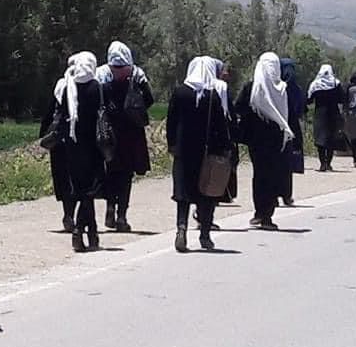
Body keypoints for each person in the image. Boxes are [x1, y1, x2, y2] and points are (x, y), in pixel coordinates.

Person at [167, 57, 231, 252]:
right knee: (207, 193)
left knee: (182, 194)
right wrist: (224, 149)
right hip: (208, 153)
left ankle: (181, 229)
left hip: (183, 152)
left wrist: (172, 145)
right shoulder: (212, 96)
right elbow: (221, 125)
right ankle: (205, 234)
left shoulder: (180, 93)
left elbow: (171, 122)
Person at [99, 41, 154, 231]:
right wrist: (135, 111)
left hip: (110, 134)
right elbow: (149, 99)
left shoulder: (102, 79)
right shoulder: (138, 77)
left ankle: (111, 208)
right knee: (125, 176)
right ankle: (121, 216)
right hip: (131, 134)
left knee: (112, 172)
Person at [235, 52, 293, 230]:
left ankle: (260, 213)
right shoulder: (282, 88)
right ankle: (267, 215)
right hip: (276, 138)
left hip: (256, 139)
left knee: (259, 175)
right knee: (272, 174)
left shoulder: (251, 87)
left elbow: (238, 108)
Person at [54, 51, 104, 250]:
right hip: (93, 146)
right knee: (88, 191)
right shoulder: (96, 87)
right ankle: (80, 231)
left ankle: (92, 233)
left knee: (81, 189)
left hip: (72, 147)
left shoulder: (68, 86)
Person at [40, 58, 77, 234]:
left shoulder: (60, 86)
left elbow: (49, 114)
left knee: (63, 178)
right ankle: (73, 215)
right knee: (76, 179)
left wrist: (44, 136)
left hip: (58, 141)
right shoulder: (85, 85)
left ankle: (67, 214)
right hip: (76, 140)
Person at [307, 64, 346, 171]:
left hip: (320, 114)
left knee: (320, 139)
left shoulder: (315, 84)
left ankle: (322, 164)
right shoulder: (335, 83)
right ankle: (328, 163)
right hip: (333, 113)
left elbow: (309, 99)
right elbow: (342, 98)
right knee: (331, 139)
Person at [278, 58, 305, 204]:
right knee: (286, 164)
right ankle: (286, 195)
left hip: (275, 128)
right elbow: (301, 109)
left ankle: (272, 195)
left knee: (272, 164)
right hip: (291, 128)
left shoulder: (275, 86)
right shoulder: (296, 89)